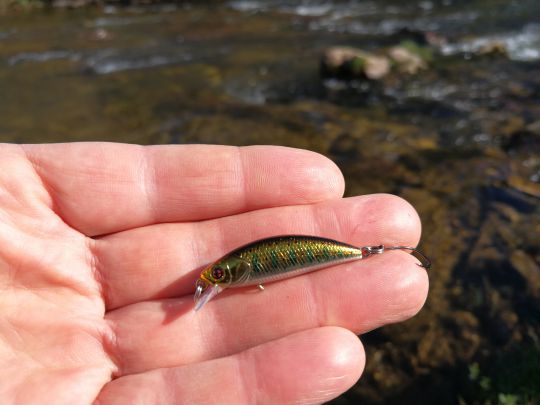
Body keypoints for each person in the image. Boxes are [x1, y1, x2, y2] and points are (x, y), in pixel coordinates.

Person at [0, 143, 428, 404]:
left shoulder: (239, 270)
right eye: (218, 275)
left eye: (221, 274)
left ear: (236, 272)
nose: (214, 279)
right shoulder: (231, 275)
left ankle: (372, 252)